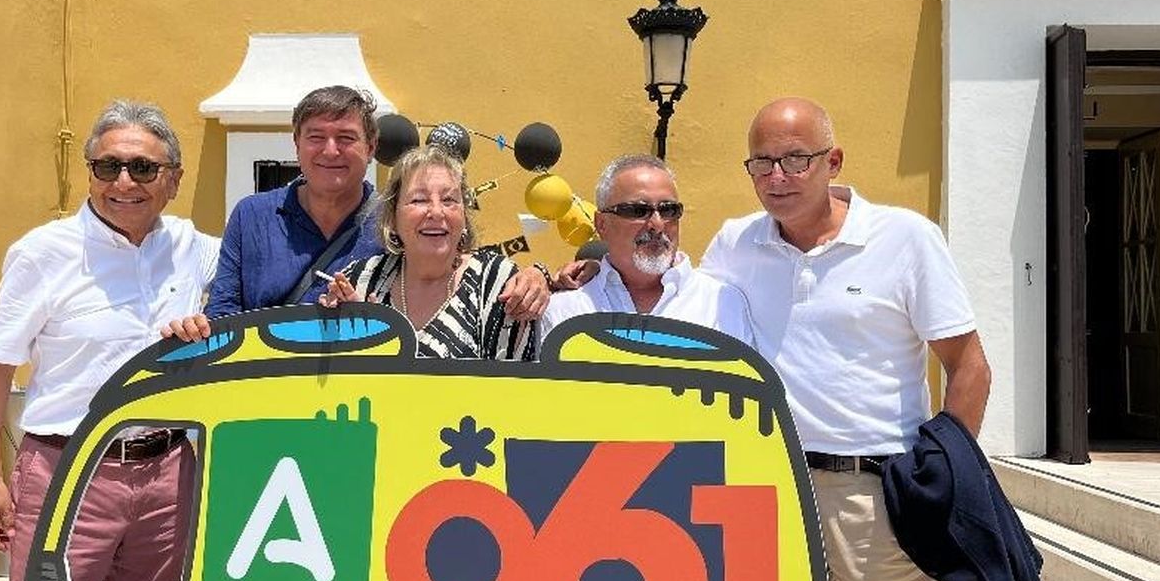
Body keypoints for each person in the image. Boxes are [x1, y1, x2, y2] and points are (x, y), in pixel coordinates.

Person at [698, 97, 991, 581]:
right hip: (774, 496)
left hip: (879, 499)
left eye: (796, 159)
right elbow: (682, 312)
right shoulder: (734, 245)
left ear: (835, 161)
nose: (778, 177)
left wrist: (949, 475)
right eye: (762, 162)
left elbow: (966, 364)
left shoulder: (904, 240)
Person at [0, 99, 220, 581]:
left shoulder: (193, 247)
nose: (124, 181)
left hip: (169, 476)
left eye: (143, 168)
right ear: (91, 175)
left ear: (172, 180)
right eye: (109, 166)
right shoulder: (42, 254)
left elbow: (272, 277)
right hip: (67, 470)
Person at [205, 85, 548, 320]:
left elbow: (453, 262)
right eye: (316, 137)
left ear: (371, 148)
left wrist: (537, 275)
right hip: (266, 401)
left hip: (362, 404)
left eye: (346, 138)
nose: (330, 150)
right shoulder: (251, 215)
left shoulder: (396, 217)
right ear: (296, 145)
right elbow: (222, 314)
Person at [318, 144, 537, 360]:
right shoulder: (360, 280)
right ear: (392, 219)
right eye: (419, 200)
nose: (436, 212)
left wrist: (544, 275)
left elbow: (514, 386)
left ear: (464, 217)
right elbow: (333, 381)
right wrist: (342, 336)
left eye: (449, 200)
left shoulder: (495, 282)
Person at [538, 153, 755, 347]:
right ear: (601, 224)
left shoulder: (723, 304)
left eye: (668, 210)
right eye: (638, 210)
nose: (657, 224)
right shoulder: (564, 311)